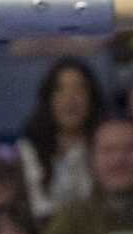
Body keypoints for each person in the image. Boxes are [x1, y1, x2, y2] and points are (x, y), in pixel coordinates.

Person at [14, 55, 105, 221]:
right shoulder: (28, 150)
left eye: (79, 89)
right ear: (49, 99)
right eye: (61, 90)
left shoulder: (106, 146)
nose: (70, 99)